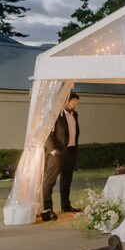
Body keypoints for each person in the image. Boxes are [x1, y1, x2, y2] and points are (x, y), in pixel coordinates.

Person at [41, 93, 82, 221]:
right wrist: (52, 150)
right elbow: (47, 132)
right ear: (65, 101)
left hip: (71, 150)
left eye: (76, 103)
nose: (75, 105)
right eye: (73, 103)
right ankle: (48, 209)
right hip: (58, 152)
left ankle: (66, 206)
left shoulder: (74, 115)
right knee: (50, 181)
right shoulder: (56, 114)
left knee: (66, 180)